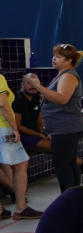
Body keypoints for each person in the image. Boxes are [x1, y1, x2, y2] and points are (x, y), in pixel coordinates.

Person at [23, 44, 83, 192]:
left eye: (58, 57)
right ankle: (72, 196)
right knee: (70, 162)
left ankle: (68, 198)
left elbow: (62, 98)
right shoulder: (62, 75)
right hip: (64, 127)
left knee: (62, 165)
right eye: (54, 56)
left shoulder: (68, 76)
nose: (54, 59)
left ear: (69, 60)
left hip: (66, 128)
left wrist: (38, 87)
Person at [0, 64, 40, 220]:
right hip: (3, 128)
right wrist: (14, 127)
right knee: (21, 163)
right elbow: (3, 104)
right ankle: (21, 207)